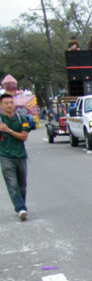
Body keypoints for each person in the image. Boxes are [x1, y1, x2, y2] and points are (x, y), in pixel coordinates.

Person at [0, 93, 32, 221]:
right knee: (12, 185)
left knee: (22, 186)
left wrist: (8, 130)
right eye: (6, 103)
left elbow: (24, 136)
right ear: (1, 105)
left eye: (11, 102)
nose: (9, 105)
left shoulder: (21, 118)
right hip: (5, 156)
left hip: (20, 156)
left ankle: (20, 205)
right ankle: (21, 208)